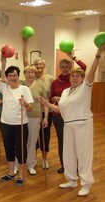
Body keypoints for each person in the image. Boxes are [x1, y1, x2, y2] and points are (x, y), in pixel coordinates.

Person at [39, 46, 104, 196]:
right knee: (68, 153)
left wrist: (98, 55)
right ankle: (71, 179)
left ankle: (86, 183)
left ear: (82, 79)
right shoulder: (66, 91)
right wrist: (45, 103)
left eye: (77, 76)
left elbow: (92, 71)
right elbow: (60, 109)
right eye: (72, 76)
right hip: (68, 125)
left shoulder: (85, 87)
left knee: (83, 154)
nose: (74, 78)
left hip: (83, 124)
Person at [0, 55, 33, 186]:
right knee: (8, 148)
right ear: (6, 78)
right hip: (6, 124)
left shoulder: (24, 89)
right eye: (10, 76)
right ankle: (11, 172)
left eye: (15, 75)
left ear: (18, 76)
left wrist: (25, 104)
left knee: (20, 150)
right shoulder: (4, 88)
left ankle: (21, 175)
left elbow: (30, 109)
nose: (13, 78)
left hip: (20, 124)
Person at [50, 53, 86, 174]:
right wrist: (53, 99)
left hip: (72, 115)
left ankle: (75, 165)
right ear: (60, 67)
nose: (65, 69)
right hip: (58, 116)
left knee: (74, 141)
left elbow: (84, 67)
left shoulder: (75, 79)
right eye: (63, 66)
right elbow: (51, 98)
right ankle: (64, 165)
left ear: (70, 67)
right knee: (62, 141)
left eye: (67, 66)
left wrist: (74, 57)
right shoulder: (55, 82)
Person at [23, 38, 53, 169]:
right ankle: (28, 160)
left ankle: (41, 160)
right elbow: (25, 62)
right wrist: (25, 44)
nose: (39, 66)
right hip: (28, 112)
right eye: (37, 64)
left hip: (44, 111)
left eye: (41, 64)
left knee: (43, 137)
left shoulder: (49, 79)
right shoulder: (29, 78)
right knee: (29, 139)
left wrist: (46, 116)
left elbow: (47, 99)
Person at [20, 66, 48, 175]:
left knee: (32, 141)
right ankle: (18, 163)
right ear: (24, 73)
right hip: (21, 117)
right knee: (20, 140)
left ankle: (31, 164)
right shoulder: (20, 84)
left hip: (35, 117)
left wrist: (45, 117)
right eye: (28, 72)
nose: (30, 74)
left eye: (32, 72)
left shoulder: (40, 85)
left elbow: (45, 102)